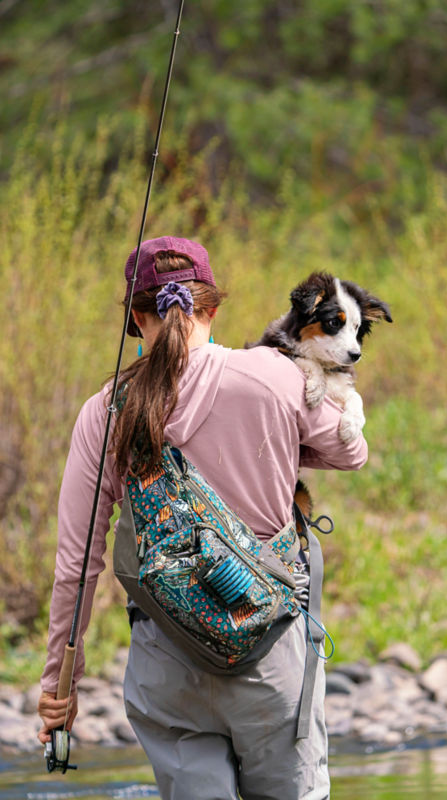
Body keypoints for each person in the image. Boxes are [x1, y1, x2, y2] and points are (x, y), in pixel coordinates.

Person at [38, 236, 368, 800]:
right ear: (211, 310)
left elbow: (78, 563)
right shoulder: (274, 376)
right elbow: (350, 453)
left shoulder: (104, 413)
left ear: (136, 319)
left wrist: (58, 688)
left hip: (166, 669)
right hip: (271, 660)